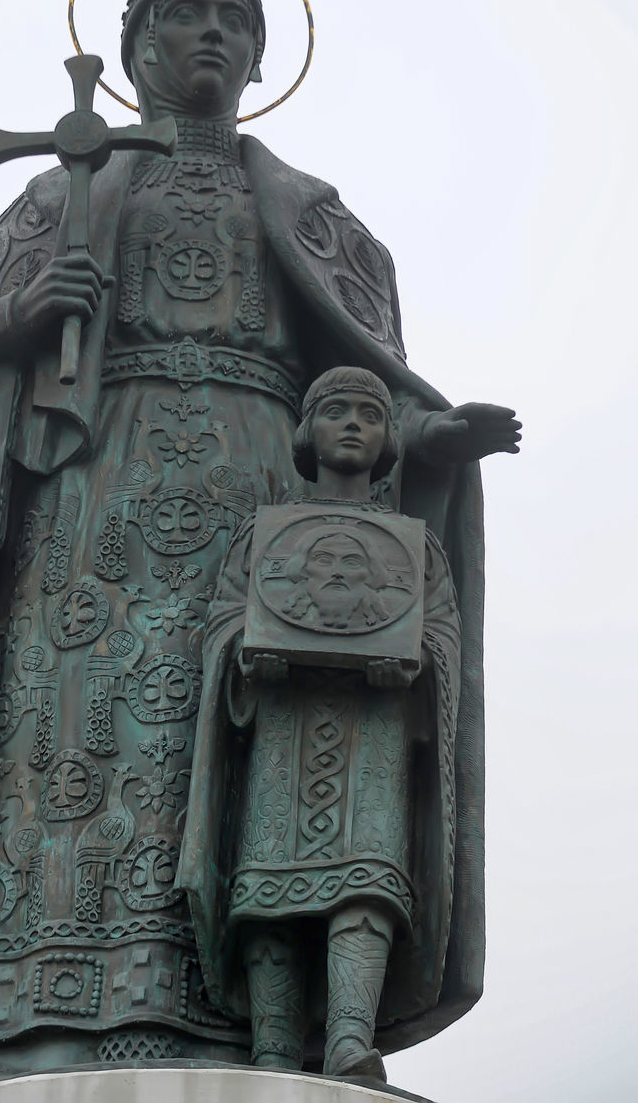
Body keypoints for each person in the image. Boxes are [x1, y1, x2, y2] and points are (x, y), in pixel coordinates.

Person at [0, 0, 519, 1090]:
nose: (211, 35)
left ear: (258, 55)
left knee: (272, 752)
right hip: (90, 503)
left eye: (232, 20)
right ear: (136, 45)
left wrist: (428, 442)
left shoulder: (321, 222)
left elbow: (357, 392)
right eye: (184, 15)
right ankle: (32, 1004)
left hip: (268, 511)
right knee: (72, 747)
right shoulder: (60, 192)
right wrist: (15, 315)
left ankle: (276, 1016)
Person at [179, 367, 462, 1083]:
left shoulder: (414, 545)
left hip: (374, 732)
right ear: (307, 430)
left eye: (370, 414)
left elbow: (441, 634)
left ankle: (346, 1040)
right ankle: (272, 1049)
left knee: (364, 883)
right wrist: (248, 654)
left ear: (388, 438)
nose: (352, 425)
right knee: (268, 887)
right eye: (335, 411)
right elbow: (225, 620)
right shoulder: (267, 535)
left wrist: (414, 666)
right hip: (283, 725)